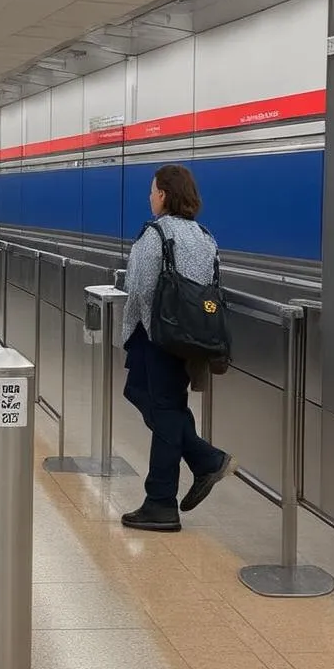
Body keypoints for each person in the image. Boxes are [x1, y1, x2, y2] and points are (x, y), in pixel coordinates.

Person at [121, 164, 237, 533]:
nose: (150, 196)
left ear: (165, 194)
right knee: (156, 401)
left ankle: (162, 500)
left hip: (157, 335)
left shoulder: (154, 234)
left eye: (153, 190)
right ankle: (201, 462)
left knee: (164, 409)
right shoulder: (205, 236)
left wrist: (136, 331)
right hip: (191, 338)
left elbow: (138, 290)